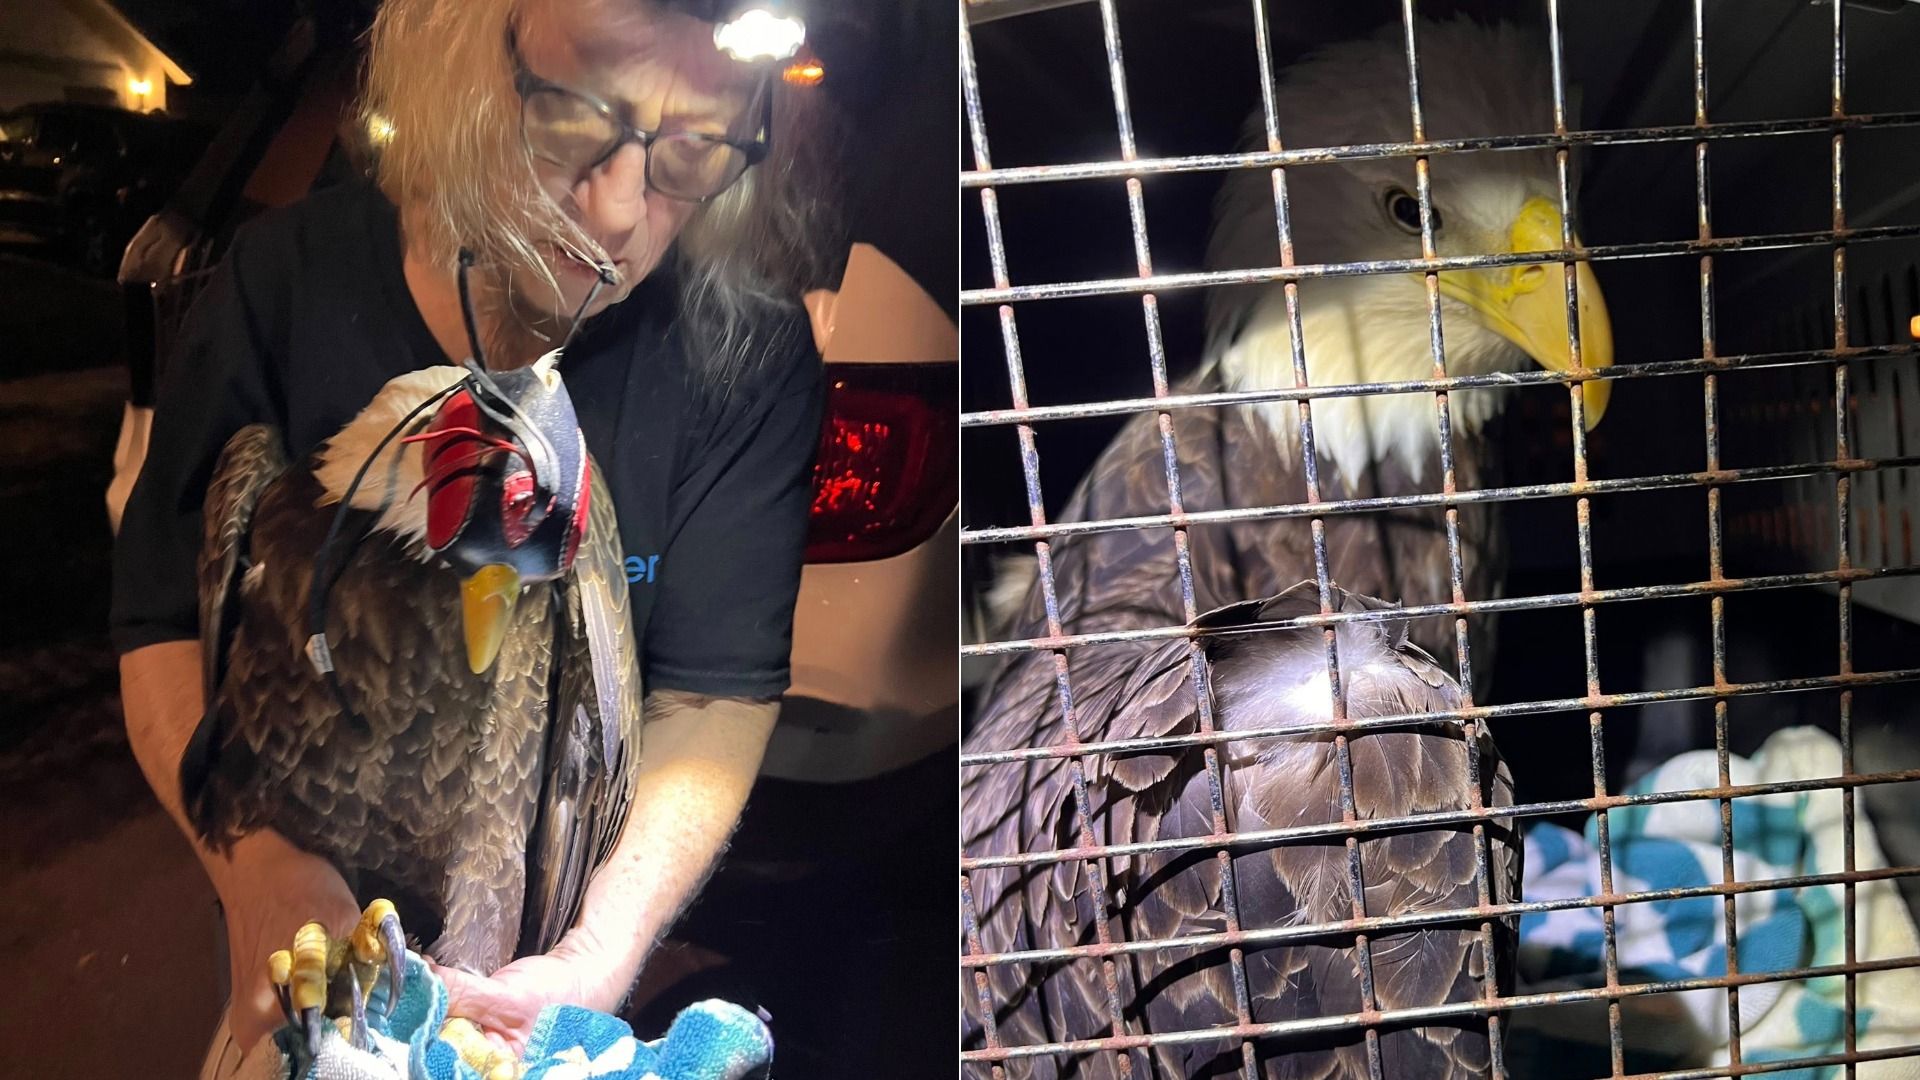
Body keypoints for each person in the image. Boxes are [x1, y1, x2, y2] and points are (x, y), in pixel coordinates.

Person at [107, 0, 839, 1074]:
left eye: (696, 148)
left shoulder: (744, 357)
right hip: (295, 986)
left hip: (527, 1007)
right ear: (466, 57)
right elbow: (161, 622)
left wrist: (600, 951)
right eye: (578, 116)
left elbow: (712, 693)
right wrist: (262, 872)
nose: (623, 209)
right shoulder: (282, 287)